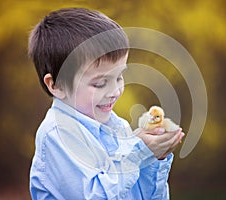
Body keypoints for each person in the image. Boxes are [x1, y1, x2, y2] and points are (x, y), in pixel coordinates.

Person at [28, 7, 184, 200]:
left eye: (119, 77)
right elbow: (95, 196)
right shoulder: (58, 134)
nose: (114, 91)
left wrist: (152, 158)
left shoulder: (118, 127)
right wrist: (137, 152)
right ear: (56, 85)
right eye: (100, 83)